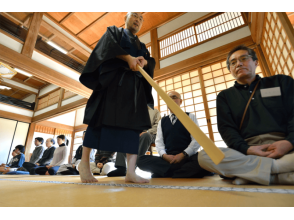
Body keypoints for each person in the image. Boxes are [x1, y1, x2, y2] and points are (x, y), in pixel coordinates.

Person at [198, 45, 294, 185]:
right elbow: (227, 129)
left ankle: (256, 174)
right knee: (204, 156)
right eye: (233, 62)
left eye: (244, 58)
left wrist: (289, 142)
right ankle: (278, 172)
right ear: (230, 70)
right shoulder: (225, 96)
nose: (239, 63)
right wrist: (247, 149)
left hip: (286, 146)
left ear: (255, 62)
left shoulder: (281, 82)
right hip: (248, 150)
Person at [79, 12, 155, 183]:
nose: (138, 20)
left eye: (141, 18)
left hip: (133, 91)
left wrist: (144, 63)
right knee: (98, 120)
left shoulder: (142, 46)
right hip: (111, 84)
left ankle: (131, 172)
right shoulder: (114, 32)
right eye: (134, 16)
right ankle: (84, 164)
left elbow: (149, 62)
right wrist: (127, 57)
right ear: (125, 18)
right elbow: (107, 46)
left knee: (133, 129)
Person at [137, 91, 213, 178]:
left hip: (187, 157)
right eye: (168, 98)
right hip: (168, 159)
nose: (171, 100)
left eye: (174, 97)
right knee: (140, 160)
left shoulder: (190, 116)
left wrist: (183, 155)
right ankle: (182, 173)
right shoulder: (162, 121)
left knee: (208, 157)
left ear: (180, 101)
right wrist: (164, 156)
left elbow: (196, 140)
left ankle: (167, 172)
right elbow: (159, 142)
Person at [107, 105, 161, 177]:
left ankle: (134, 164)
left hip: (151, 134)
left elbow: (158, 125)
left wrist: (148, 131)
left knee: (146, 136)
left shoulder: (155, 111)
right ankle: (121, 167)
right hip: (136, 134)